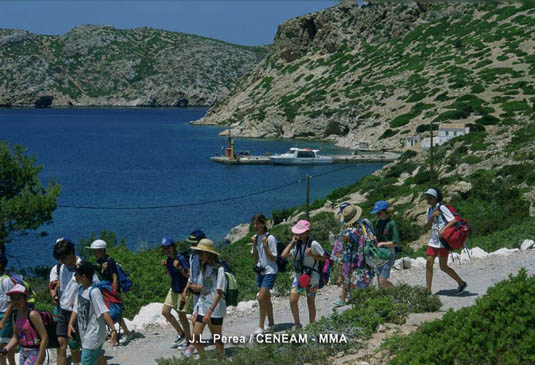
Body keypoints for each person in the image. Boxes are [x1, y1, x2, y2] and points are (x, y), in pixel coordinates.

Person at [55, 237, 98, 365]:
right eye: (60, 259)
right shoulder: (62, 268)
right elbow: (63, 288)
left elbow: (95, 286)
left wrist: (79, 300)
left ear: (71, 254)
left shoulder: (83, 266)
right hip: (63, 309)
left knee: (83, 345)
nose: (61, 261)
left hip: (79, 311)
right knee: (61, 343)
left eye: (64, 258)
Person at [68, 261, 117, 365]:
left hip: (93, 335)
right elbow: (76, 308)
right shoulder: (81, 289)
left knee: (87, 361)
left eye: (76, 274)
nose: (74, 276)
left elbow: (104, 312)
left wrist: (113, 330)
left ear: (84, 277)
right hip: (86, 334)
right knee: (97, 356)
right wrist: (70, 324)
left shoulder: (94, 292)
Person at [88, 239, 133, 345]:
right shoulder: (101, 262)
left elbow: (115, 276)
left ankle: (124, 333)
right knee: (111, 312)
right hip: (106, 290)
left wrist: (114, 291)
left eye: (96, 251)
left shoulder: (110, 261)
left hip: (111, 290)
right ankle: (121, 332)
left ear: (102, 250)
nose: (95, 253)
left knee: (115, 313)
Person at [281, 220, 325, 329]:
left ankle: (312, 325)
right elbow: (283, 255)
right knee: (293, 300)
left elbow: (324, 258)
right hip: (299, 277)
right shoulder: (297, 244)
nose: (298, 234)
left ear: (306, 232)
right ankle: (297, 324)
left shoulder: (313, 244)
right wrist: (291, 243)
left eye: (301, 232)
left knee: (310, 302)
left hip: (312, 277)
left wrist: (312, 254)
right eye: (297, 232)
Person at [424, 188, 467, 295]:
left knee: (443, 266)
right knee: (429, 263)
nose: (428, 200)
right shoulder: (429, 210)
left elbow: (453, 220)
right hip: (433, 241)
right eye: (427, 198)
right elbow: (426, 227)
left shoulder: (442, 207)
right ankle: (428, 291)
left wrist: (443, 229)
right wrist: (432, 217)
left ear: (435, 198)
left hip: (443, 242)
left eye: (430, 198)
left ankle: (461, 283)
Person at [190, 239, 226, 359]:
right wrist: (197, 309)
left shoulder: (219, 269)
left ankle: (221, 359)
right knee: (195, 335)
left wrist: (209, 312)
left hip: (215, 309)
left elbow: (219, 292)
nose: (199, 256)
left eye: (201, 253)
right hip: (204, 307)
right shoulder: (203, 267)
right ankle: (204, 359)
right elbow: (204, 288)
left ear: (208, 254)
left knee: (217, 337)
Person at [1, 284, 47, 365]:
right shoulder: (15, 316)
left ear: (25, 298)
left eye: (18, 298)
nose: (15, 301)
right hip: (23, 351)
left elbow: (44, 338)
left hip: (35, 351)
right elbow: (15, 337)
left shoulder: (32, 315)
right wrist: (5, 350)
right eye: (13, 299)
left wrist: (38, 361)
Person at [160, 237, 191, 349]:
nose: (166, 250)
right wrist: (166, 268)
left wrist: (179, 268)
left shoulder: (181, 258)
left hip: (183, 290)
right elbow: (171, 276)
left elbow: (189, 275)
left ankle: (189, 341)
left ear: (173, 246)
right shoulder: (168, 260)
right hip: (173, 289)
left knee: (182, 316)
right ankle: (181, 333)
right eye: (164, 248)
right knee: (165, 312)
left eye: (168, 247)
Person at [180, 230, 206, 357]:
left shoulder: (206, 259)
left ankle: (193, 347)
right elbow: (191, 277)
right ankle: (199, 348)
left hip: (206, 295)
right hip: (196, 295)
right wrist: (185, 290)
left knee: (196, 321)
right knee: (196, 321)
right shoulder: (192, 256)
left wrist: (201, 287)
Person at [251, 214, 277, 335]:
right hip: (260, 271)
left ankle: (260, 326)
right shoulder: (256, 238)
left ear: (263, 224)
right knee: (266, 298)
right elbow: (256, 258)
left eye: (257, 223)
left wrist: (265, 246)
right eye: (254, 224)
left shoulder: (270, 238)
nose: (255, 226)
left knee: (260, 297)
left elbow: (273, 258)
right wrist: (254, 245)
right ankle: (271, 324)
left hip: (270, 271)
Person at [371, 200, 400, 289]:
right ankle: (384, 298)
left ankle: (396, 293)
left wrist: (382, 243)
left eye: (379, 213)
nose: (377, 215)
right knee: (379, 278)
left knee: (382, 280)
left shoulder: (392, 223)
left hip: (389, 253)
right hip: (379, 253)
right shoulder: (378, 222)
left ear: (385, 211)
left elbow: (395, 242)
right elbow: (377, 236)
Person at [0, 255, 15, 365]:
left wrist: (3, 321)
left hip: (5, 316)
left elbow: (11, 303)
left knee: (5, 347)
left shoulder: (6, 280)